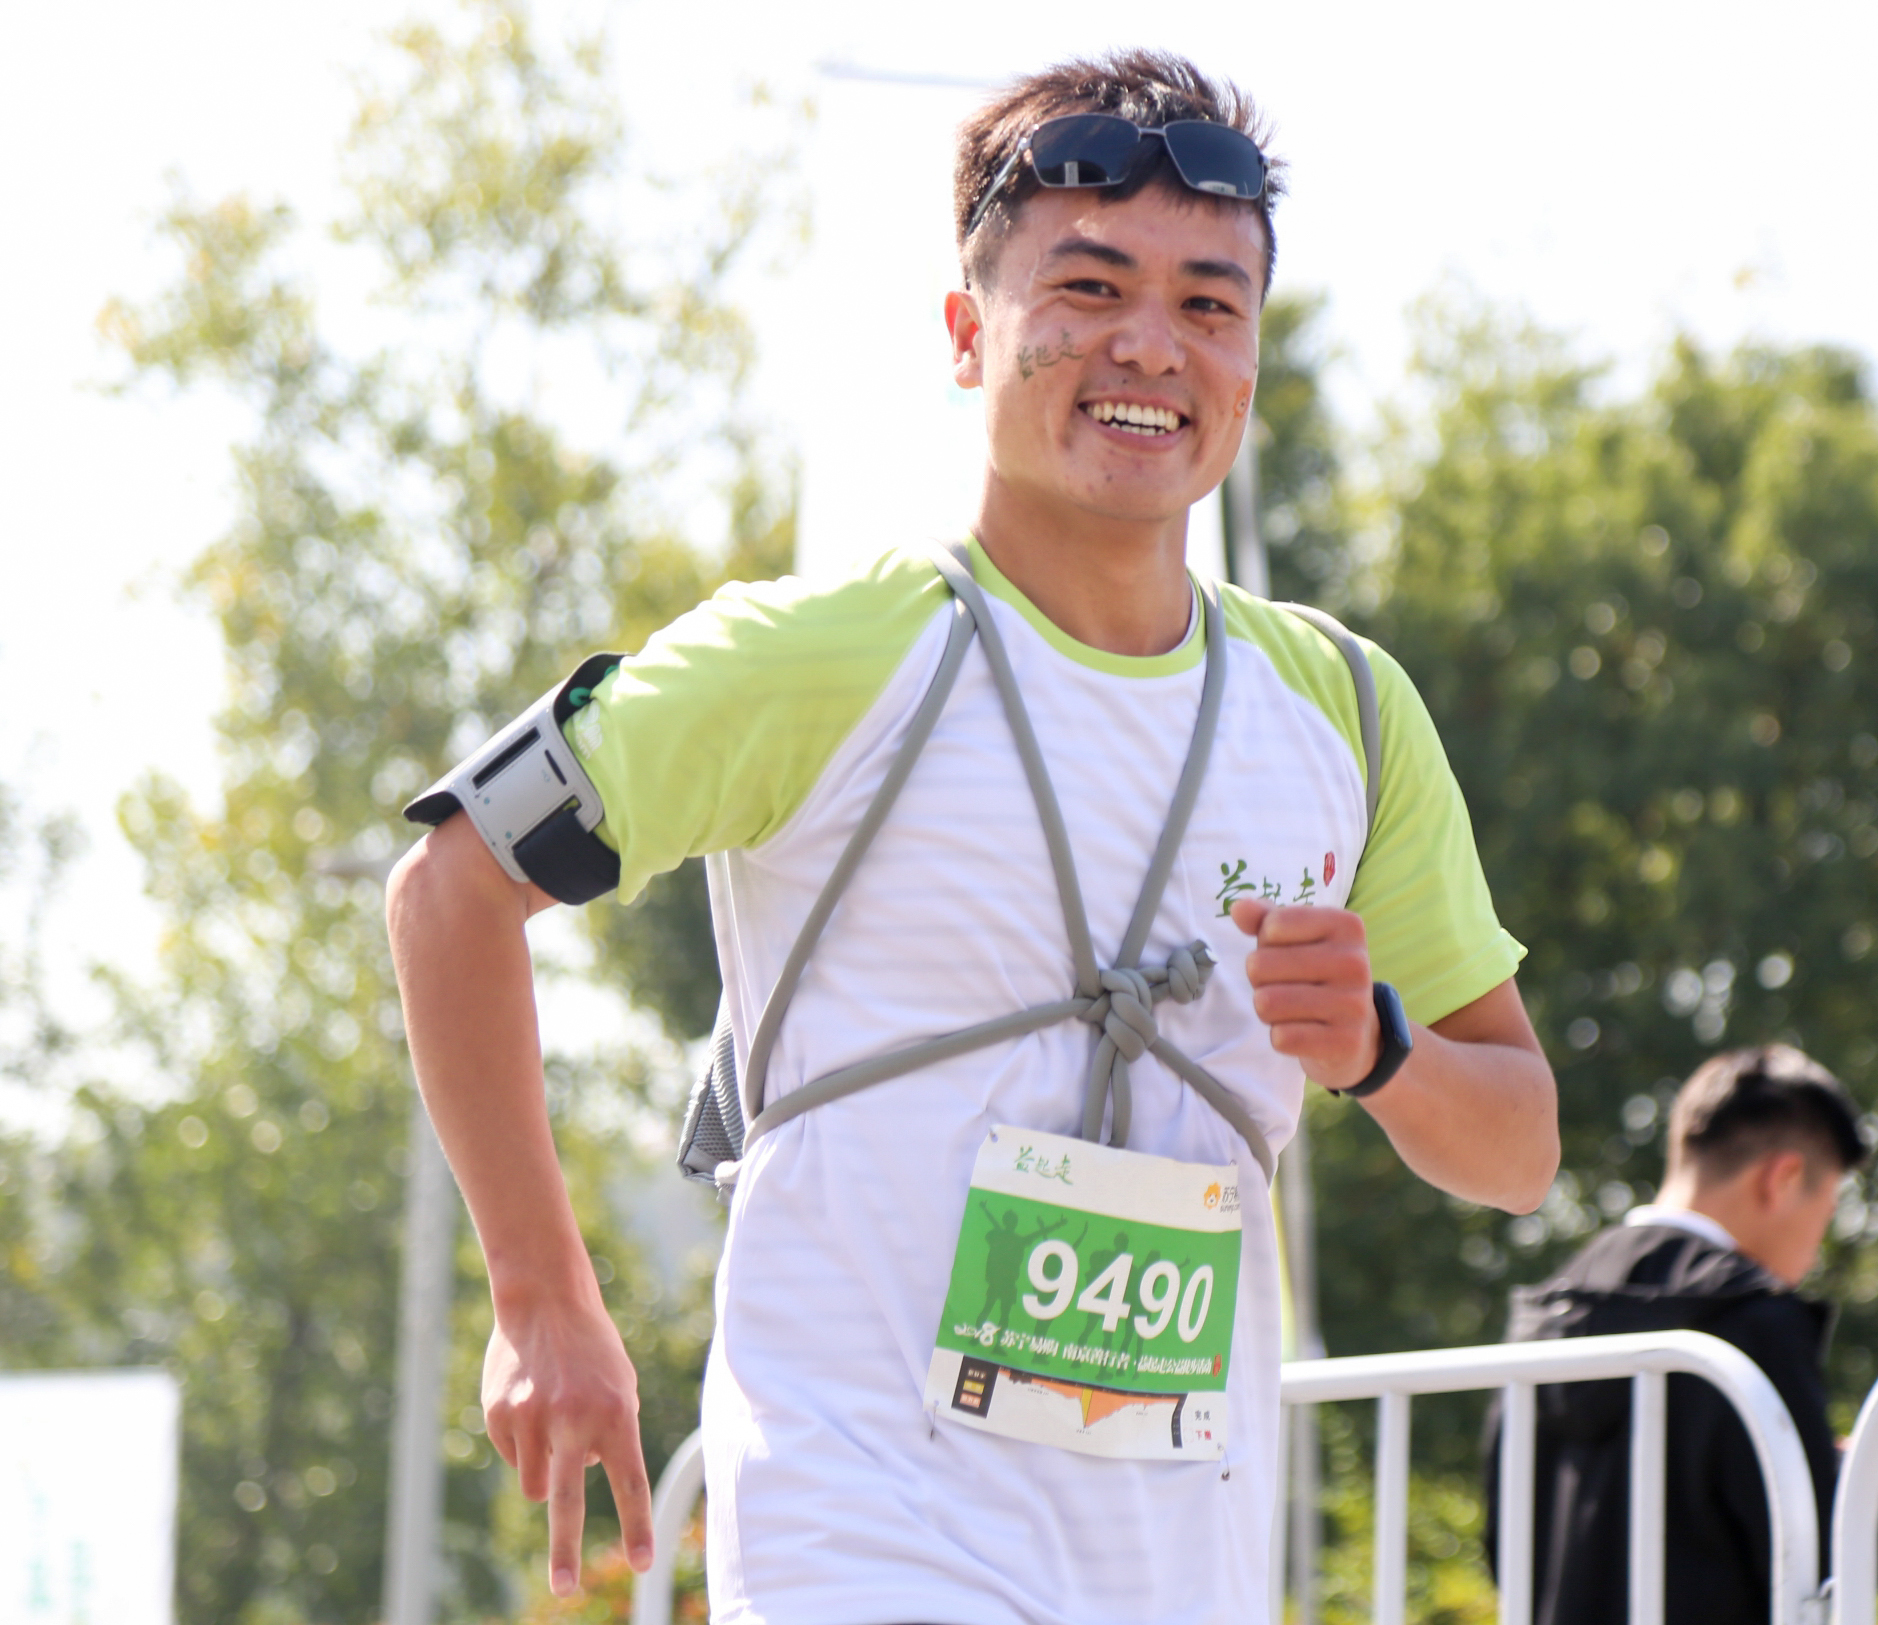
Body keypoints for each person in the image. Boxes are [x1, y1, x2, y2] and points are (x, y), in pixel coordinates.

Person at [384, 50, 1559, 1623]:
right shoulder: (831, 651)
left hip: (1177, 1570)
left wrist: (1379, 1048)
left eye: (1209, 305)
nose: (1150, 345)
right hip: (862, 1537)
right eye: (1089, 287)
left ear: (1249, 360)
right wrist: (542, 1298)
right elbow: (451, 885)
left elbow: (1519, 1149)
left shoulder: (1343, 708)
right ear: (965, 332)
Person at [1489, 1045, 1878, 1625]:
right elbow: (1821, 1570)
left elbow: (1505, 1544)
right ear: (1784, 1178)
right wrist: (1868, 1485)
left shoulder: (1545, 1312)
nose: (1819, 1245)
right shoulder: (1755, 1321)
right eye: (1828, 1208)